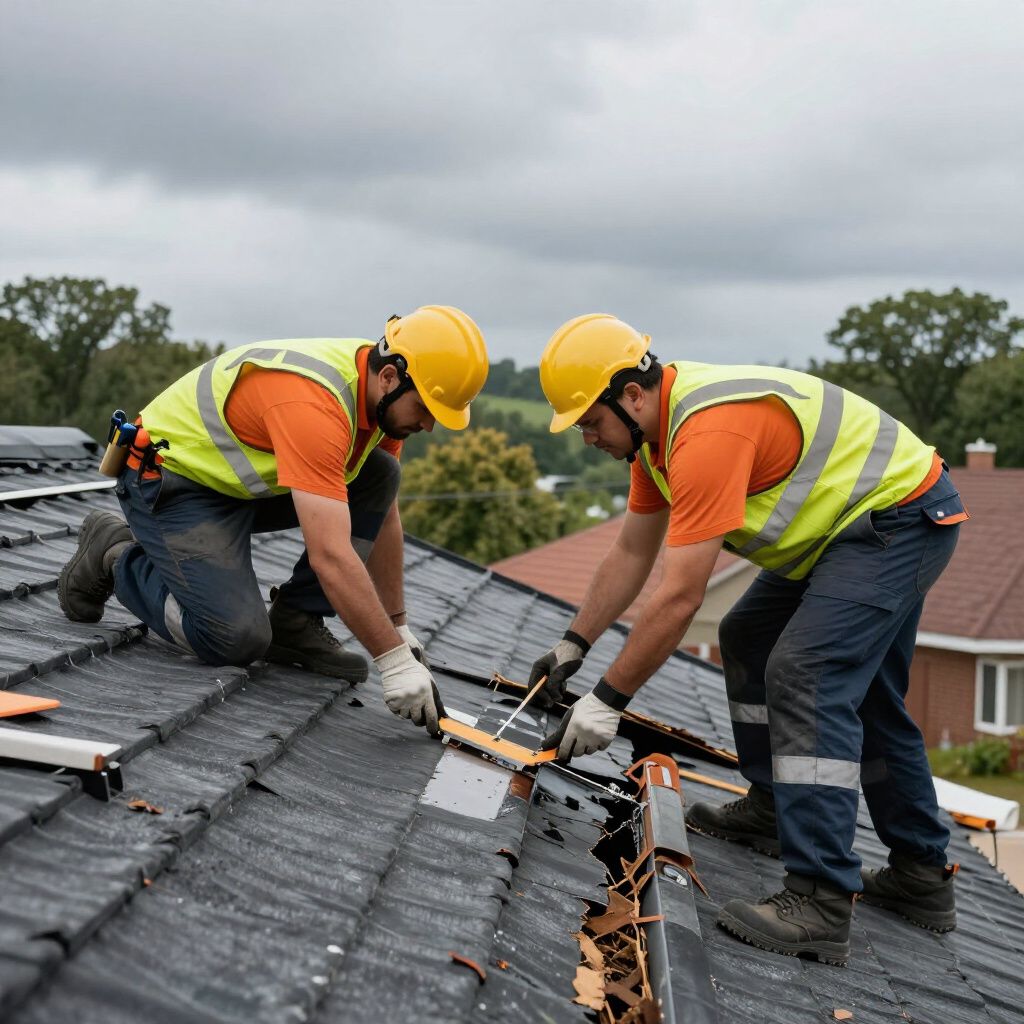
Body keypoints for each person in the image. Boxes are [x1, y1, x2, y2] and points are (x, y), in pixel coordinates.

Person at [530, 313, 967, 965]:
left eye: (589, 421)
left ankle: (820, 898)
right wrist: (572, 645)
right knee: (757, 638)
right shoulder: (655, 443)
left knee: (807, 674)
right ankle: (902, 870)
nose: (588, 437)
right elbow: (630, 553)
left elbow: (679, 596)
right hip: (849, 534)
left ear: (631, 395)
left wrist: (606, 699)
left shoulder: (707, 433)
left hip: (898, 520)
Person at [58, 306, 489, 737]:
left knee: (380, 474)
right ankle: (115, 553)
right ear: (392, 377)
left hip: (235, 488)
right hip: (170, 482)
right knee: (232, 639)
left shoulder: (380, 400)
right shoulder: (314, 404)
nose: (430, 425)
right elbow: (332, 556)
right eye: (426, 407)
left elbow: (384, 512)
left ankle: (295, 622)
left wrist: (399, 626)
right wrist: (392, 662)